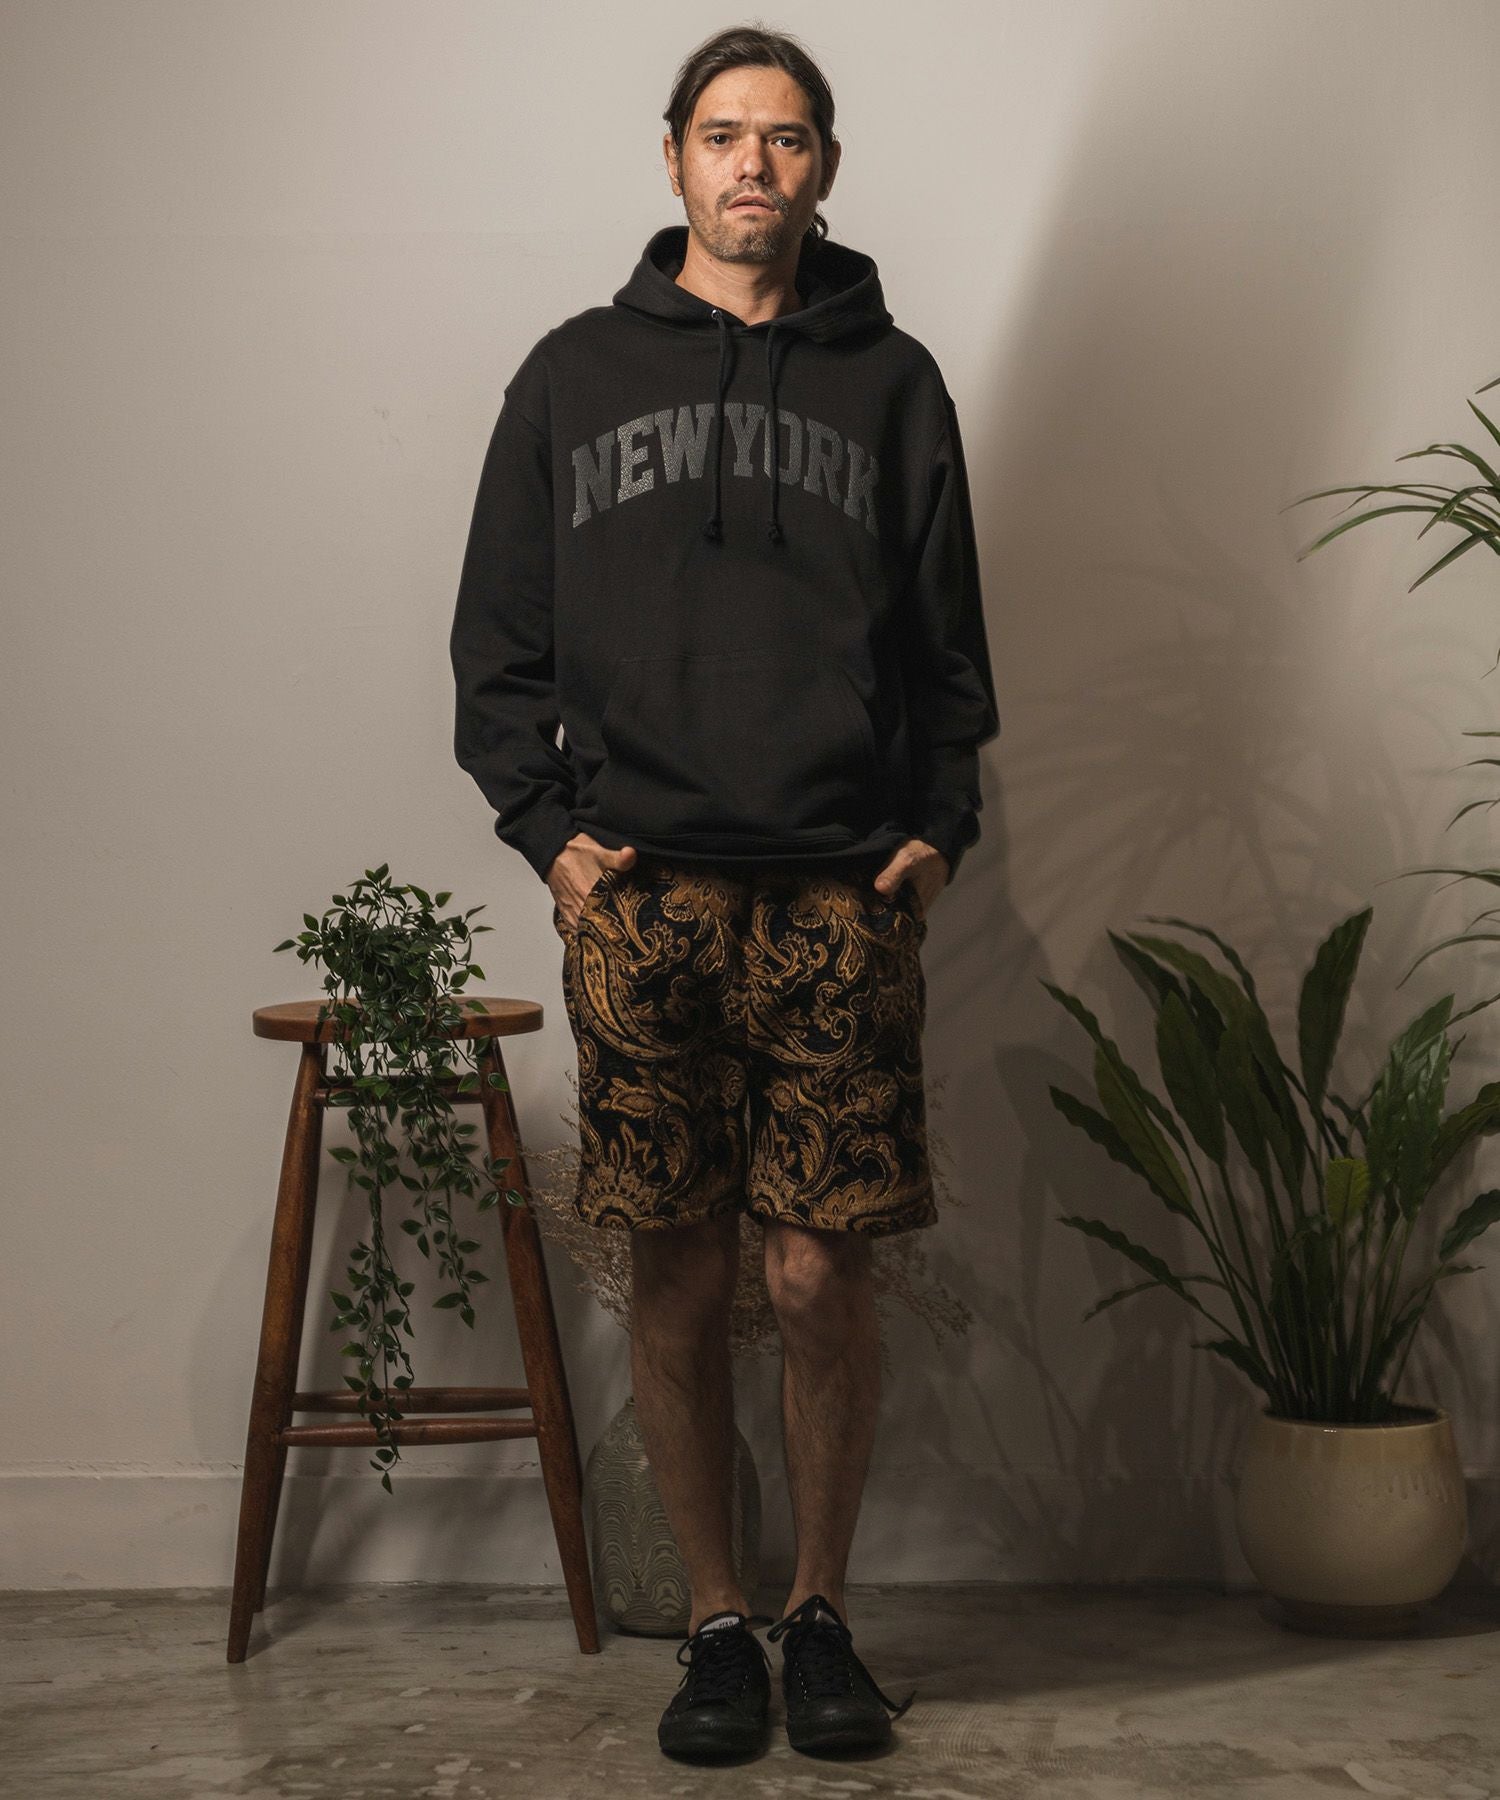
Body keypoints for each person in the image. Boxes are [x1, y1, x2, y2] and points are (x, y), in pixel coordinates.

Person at [449, 22, 999, 1765]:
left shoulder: (893, 381)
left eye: (786, 136)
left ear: (825, 166)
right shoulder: (572, 375)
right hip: (648, 897)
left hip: (839, 892)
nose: (753, 162)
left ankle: (819, 1614)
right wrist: (547, 829)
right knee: (679, 1277)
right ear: (674, 157)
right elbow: (495, 643)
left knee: (821, 1277)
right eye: (722, 133)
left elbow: (950, 644)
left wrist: (939, 825)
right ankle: (711, 1622)